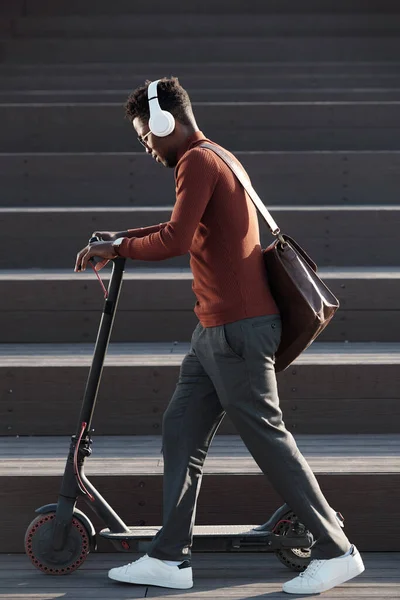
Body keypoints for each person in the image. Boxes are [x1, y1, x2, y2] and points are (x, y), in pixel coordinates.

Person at [74, 77, 365, 594]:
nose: (145, 145)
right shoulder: (212, 158)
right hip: (213, 334)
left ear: (166, 123)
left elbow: (177, 239)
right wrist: (119, 240)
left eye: (146, 134)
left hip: (239, 332)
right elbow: (178, 227)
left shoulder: (198, 162)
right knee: (181, 429)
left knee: (268, 440)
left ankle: (336, 549)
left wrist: (119, 250)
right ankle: (169, 558)